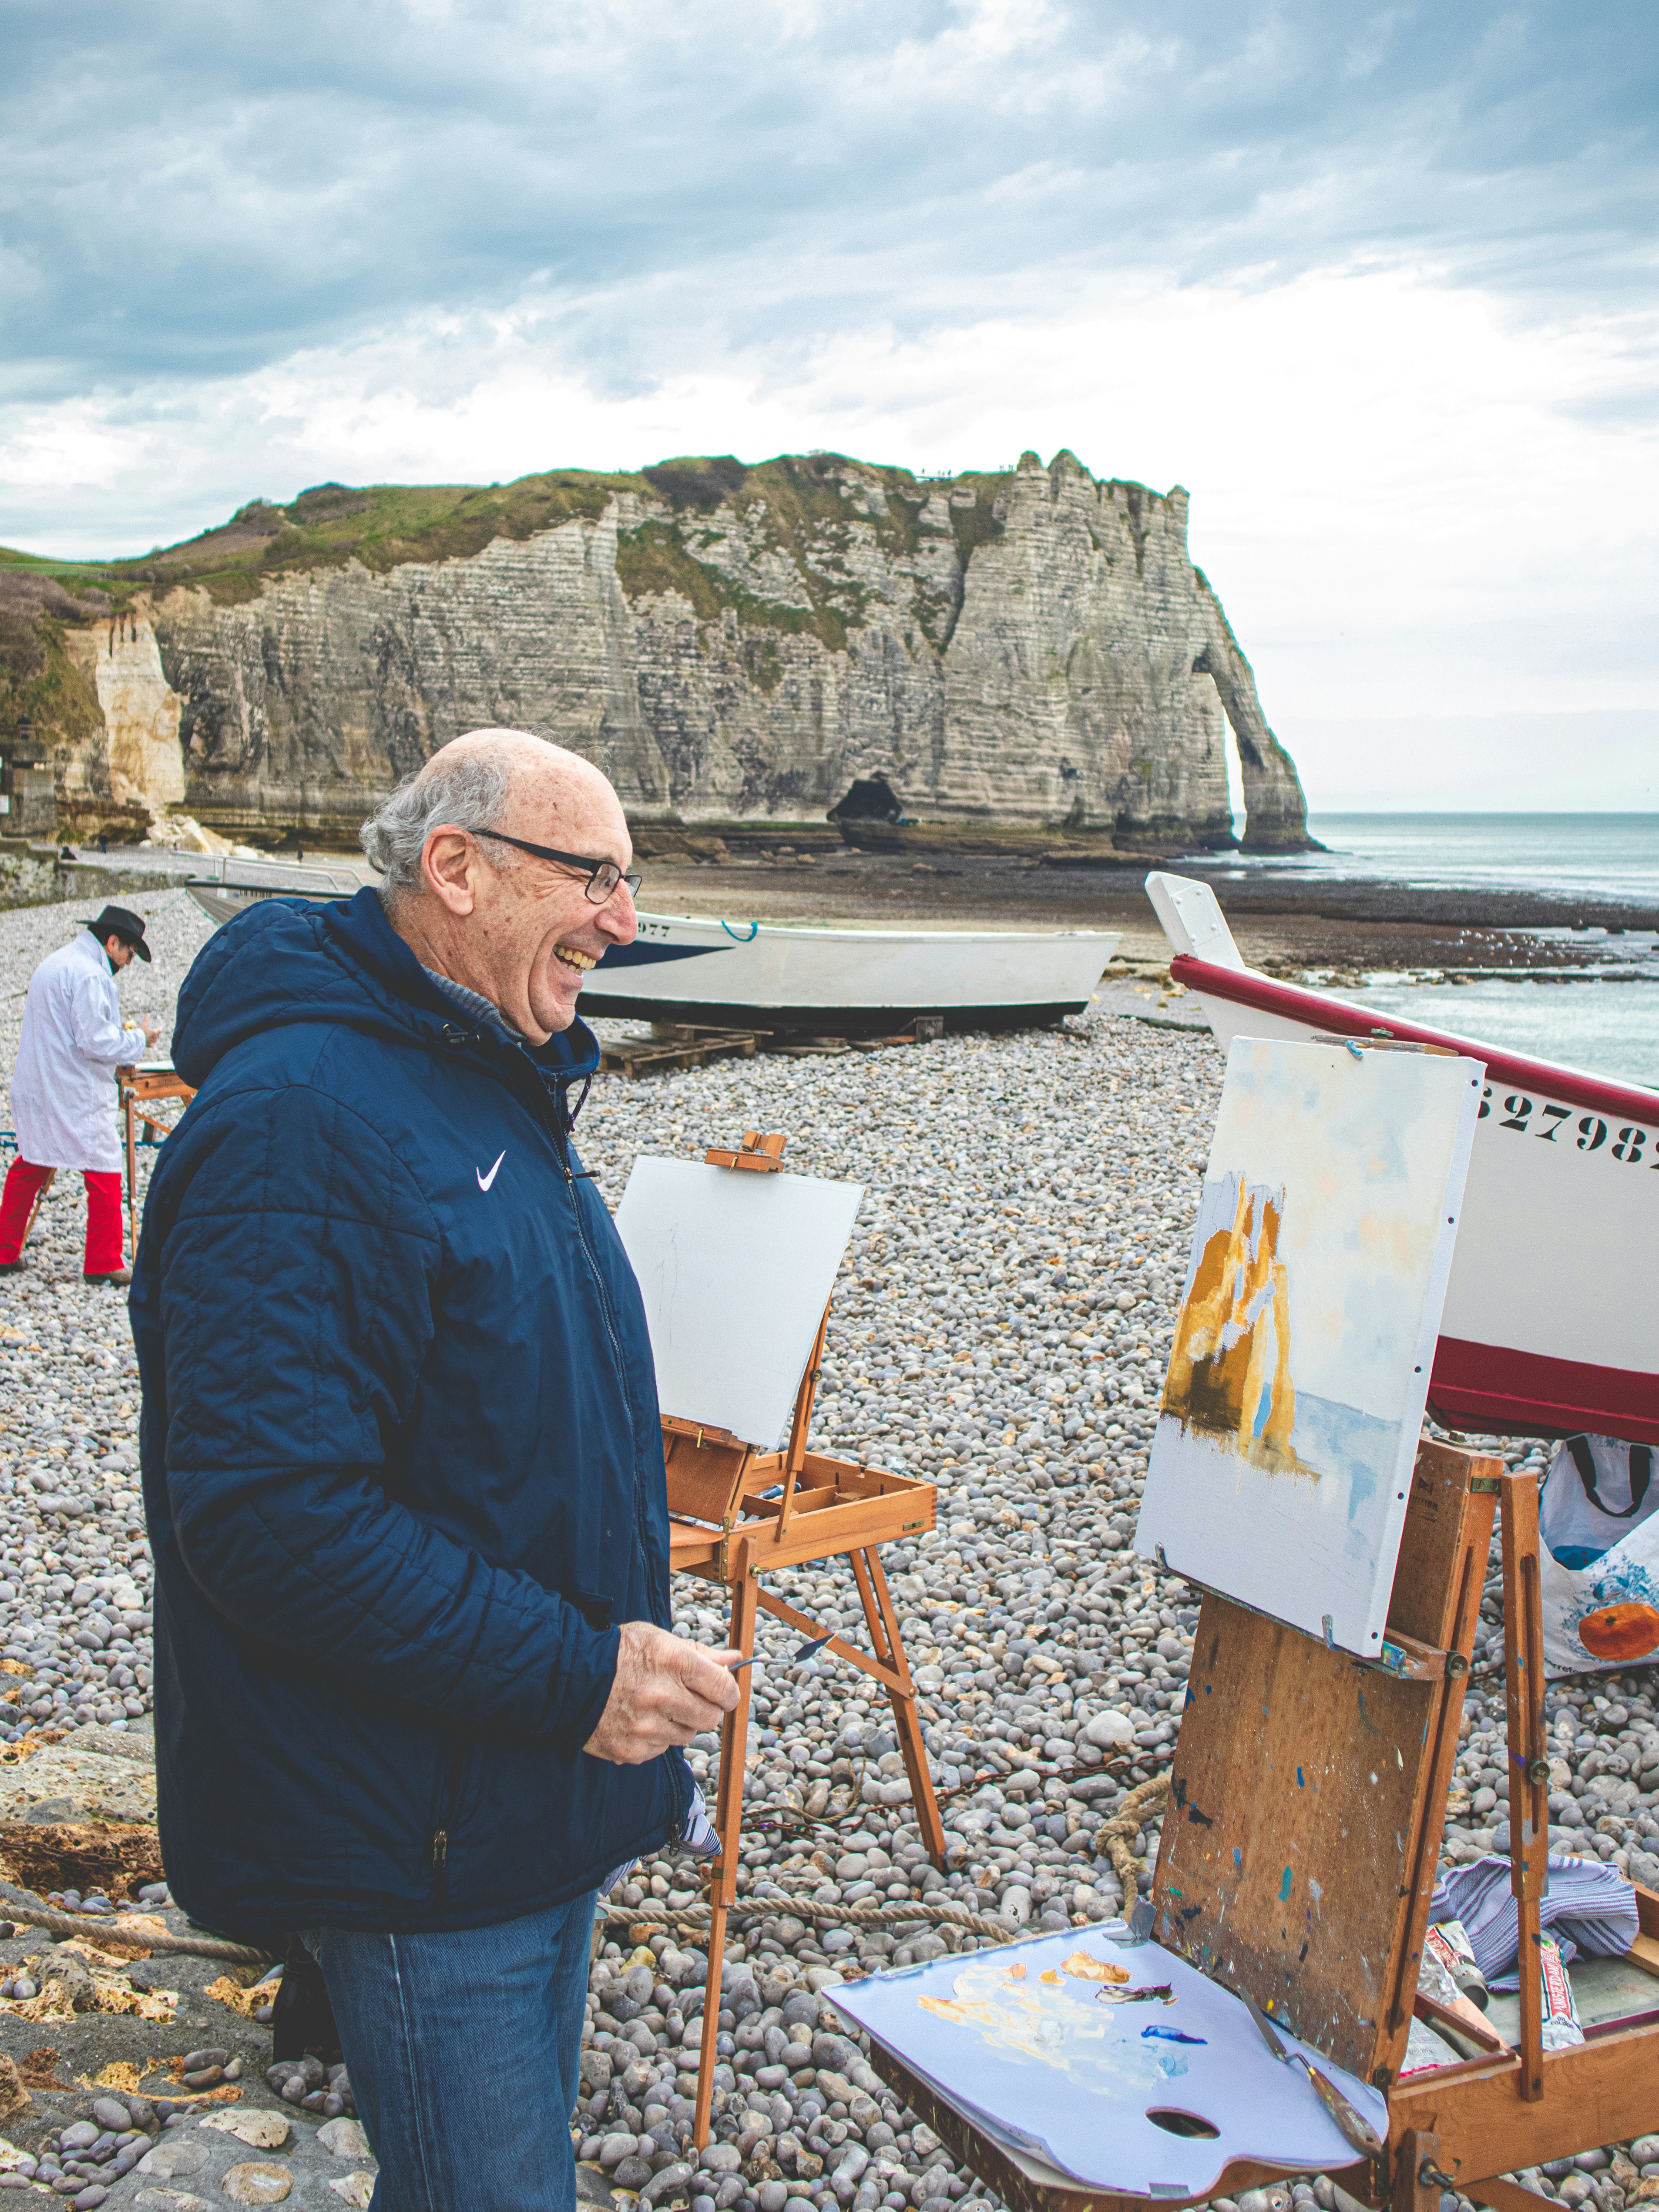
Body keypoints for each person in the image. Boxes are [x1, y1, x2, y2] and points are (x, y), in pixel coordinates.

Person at [130, 731, 741, 2212]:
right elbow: (273, 1518)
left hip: (509, 1796)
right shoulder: (301, 1118)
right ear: (452, 870)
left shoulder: (477, 1074)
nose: (623, 919)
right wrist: (577, 1676)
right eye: (589, 875)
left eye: (629, 879)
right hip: (420, 1831)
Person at [0, 903, 159, 1285]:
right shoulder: (90, 975)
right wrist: (139, 1038)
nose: (129, 962)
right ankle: (103, 1261)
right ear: (112, 941)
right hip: (72, 1089)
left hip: (42, 1081)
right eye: (129, 953)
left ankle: (4, 1250)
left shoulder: (60, 961)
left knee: (33, 1160)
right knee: (105, 1166)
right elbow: (95, 1041)